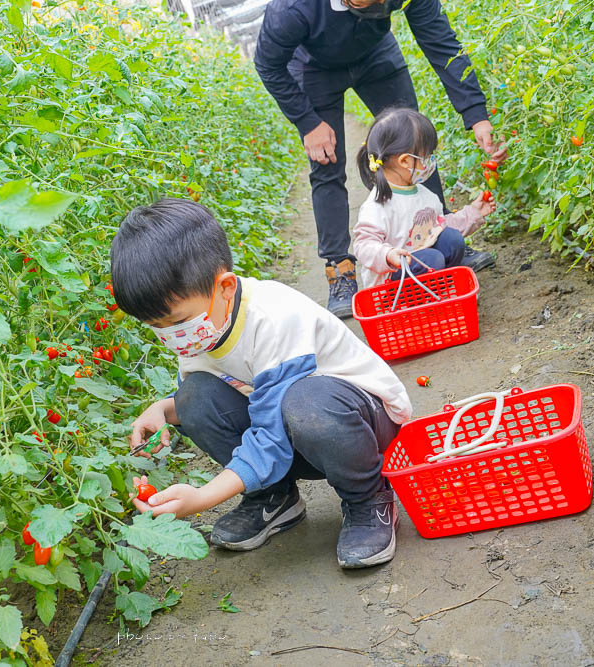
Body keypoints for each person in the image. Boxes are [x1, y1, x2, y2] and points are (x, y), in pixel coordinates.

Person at [110, 198, 412, 569]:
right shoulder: (200, 328)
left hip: (364, 423)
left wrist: (204, 496)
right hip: (297, 431)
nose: (170, 336)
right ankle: (275, 497)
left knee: (303, 401)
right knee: (193, 397)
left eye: (175, 322)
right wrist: (161, 410)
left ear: (224, 286)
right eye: (156, 327)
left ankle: (368, 499)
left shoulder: (273, 318)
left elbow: (273, 431)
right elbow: (231, 392)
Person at [253, 0, 508, 318]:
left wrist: (475, 113)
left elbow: (440, 41)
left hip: (375, 53)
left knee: (412, 144)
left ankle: (438, 240)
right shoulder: (291, 9)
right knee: (327, 164)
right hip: (313, 66)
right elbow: (267, 64)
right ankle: (340, 269)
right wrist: (307, 122)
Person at [351, 108, 495, 288]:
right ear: (405, 161)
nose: (431, 162)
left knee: (452, 240)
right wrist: (388, 254)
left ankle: (442, 290)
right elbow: (364, 245)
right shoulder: (378, 205)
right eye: (427, 156)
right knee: (431, 258)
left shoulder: (424, 194)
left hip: (424, 266)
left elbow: (439, 227)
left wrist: (473, 213)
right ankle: (424, 303)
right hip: (391, 284)